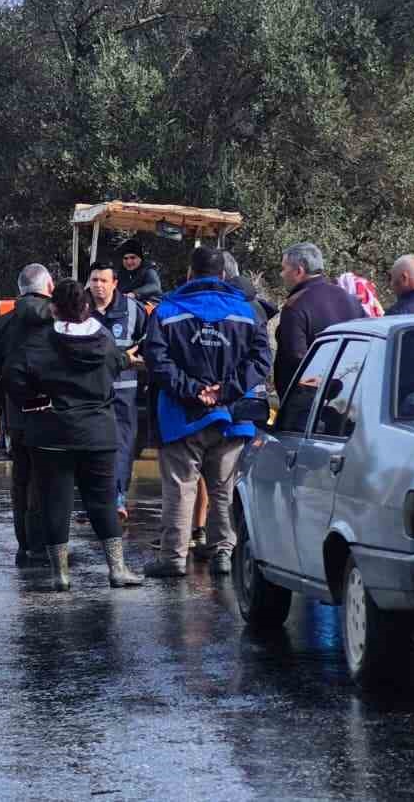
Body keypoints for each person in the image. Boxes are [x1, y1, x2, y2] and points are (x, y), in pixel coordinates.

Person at [142, 246, 272, 578]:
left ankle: (173, 558)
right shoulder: (248, 312)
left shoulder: (167, 311)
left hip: (180, 416)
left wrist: (192, 390)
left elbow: (156, 359)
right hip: (233, 416)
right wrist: (224, 391)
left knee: (180, 488)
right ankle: (223, 553)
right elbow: (260, 360)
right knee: (223, 488)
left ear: (190, 273)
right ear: (224, 275)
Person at [8, 279, 145, 591]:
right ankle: (118, 570)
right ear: (85, 307)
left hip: (50, 434)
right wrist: (128, 359)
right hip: (98, 433)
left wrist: (36, 401)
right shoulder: (104, 339)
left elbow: (14, 378)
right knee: (103, 501)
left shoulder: (38, 343)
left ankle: (60, 575)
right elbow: (115, 363)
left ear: (53, 308)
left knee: (55, 503)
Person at [0, 263, 54, 566]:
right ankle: (40, 544)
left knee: (21, 479)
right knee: (44, 478)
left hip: (16, 413)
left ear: (20, 290)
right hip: (50, 412)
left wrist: (1, 399)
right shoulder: (58, 318)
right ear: (49, 287)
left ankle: (24, 545)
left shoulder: (4, 323)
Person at [86, 262, 147, 520]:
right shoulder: (80, 307)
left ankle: (117, 496)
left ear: (115, 284)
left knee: (122, 445)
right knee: (90, 446)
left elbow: (147, 342)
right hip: (88, 393)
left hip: (124, 391)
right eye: (94, 280)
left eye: (103, 280)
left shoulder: (133, 310)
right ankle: (93, 498)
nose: (98, 285)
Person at [274, 242, 363, 394]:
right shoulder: (350, 300)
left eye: (284, 268)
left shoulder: (296, 305)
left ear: (299, 271)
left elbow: (296, 359)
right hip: (348, 393)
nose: (282, 274)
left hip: (309, 398)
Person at [117, 240, 163, 304]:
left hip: (150, 305)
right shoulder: (121, 273)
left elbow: (154, 286)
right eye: (125, 258)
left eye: (133, 258)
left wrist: (134, 294)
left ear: (140, 259)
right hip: (127, 304)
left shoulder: (148, 271)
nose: (129, 262)